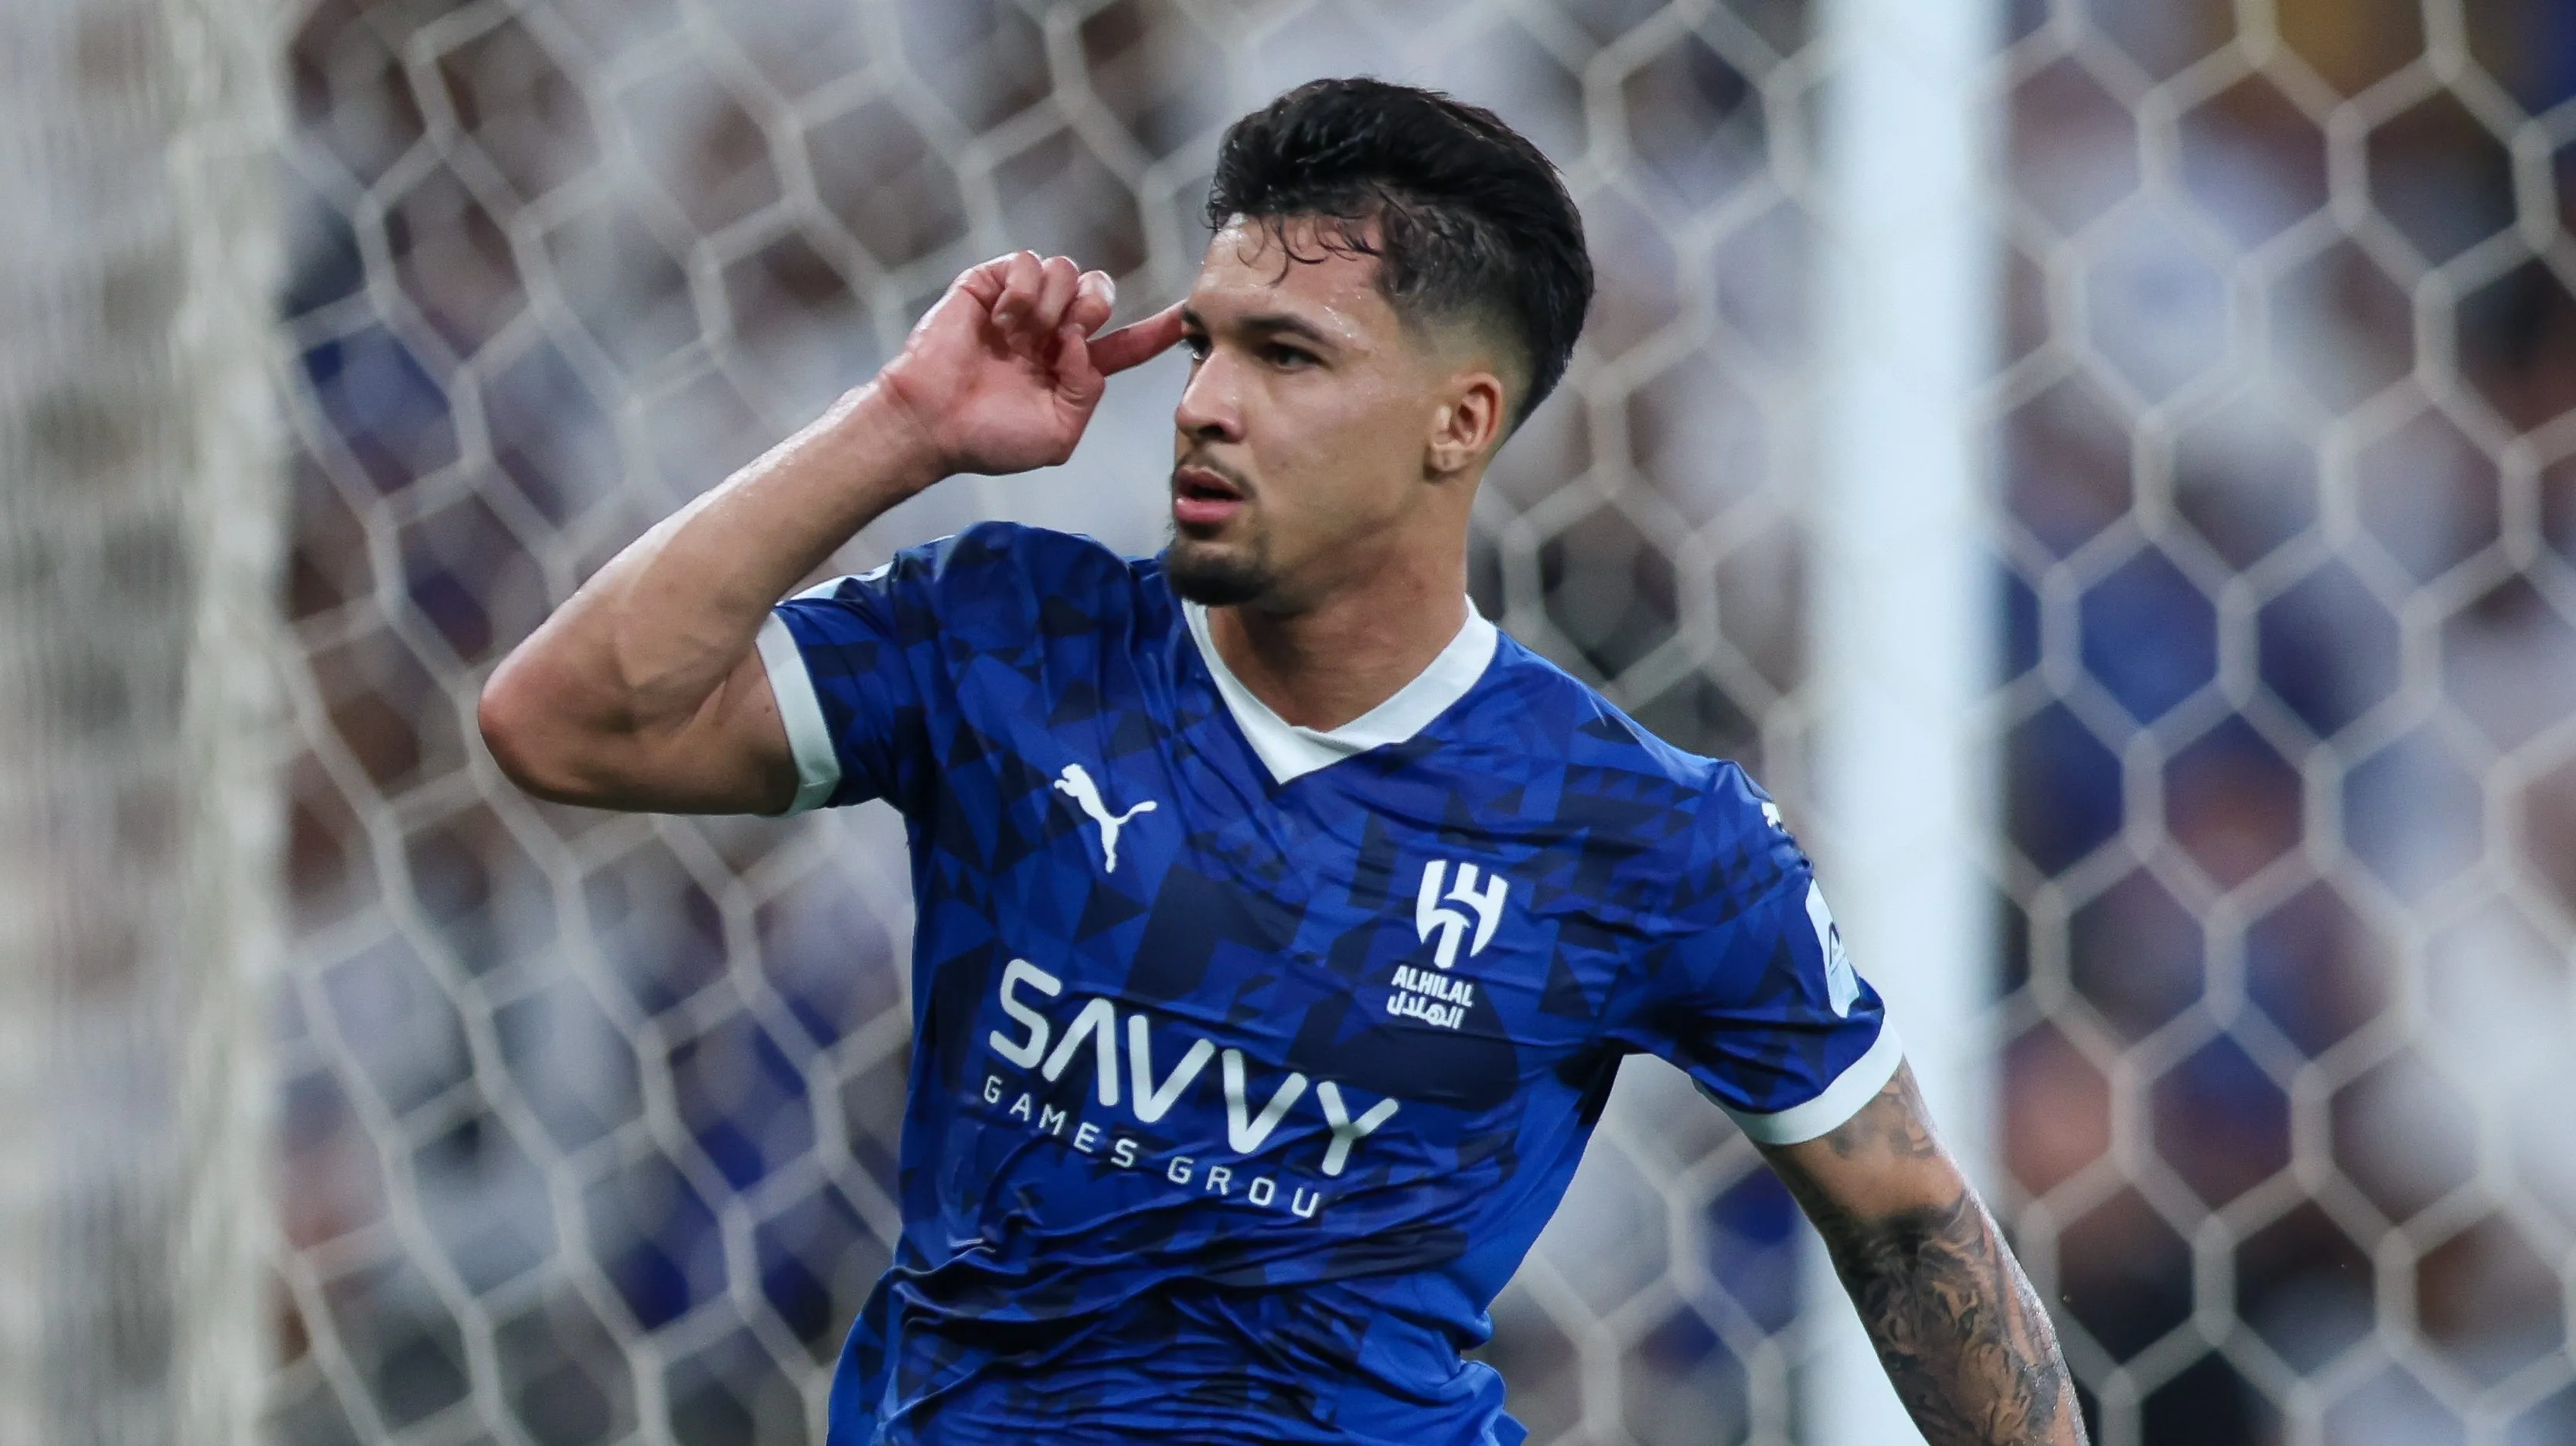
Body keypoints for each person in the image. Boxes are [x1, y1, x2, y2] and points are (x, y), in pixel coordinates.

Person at [479, 76, 2084, 1446]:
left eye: (1290, 358)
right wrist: (902, 423)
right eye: (1204, 348)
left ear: (1457, 423)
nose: (1206, 407)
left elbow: (1910, 1223)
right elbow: (561, 720)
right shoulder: (1008, 641)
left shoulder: (1642, 832)